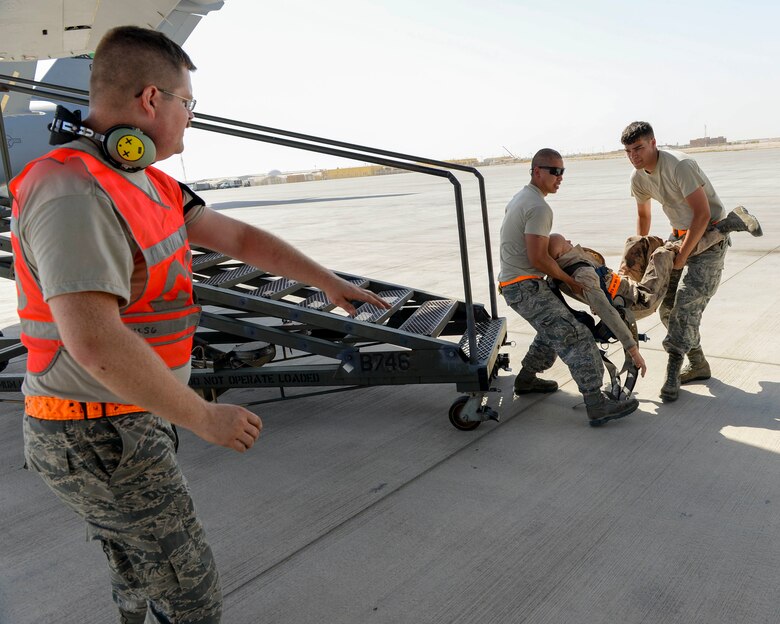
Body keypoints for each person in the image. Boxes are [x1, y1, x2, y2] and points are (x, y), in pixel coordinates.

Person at [10, 26, 389, 623]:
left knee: (138, 565)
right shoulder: (72, 192)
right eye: (188, 104)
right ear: (152, 99)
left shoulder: (147, 182)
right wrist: (204, 415)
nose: (191, 118)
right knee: (191, 596)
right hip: (93, 432)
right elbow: (94, 340)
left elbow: (236, 237)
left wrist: (325, 280)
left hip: (127, 419)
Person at [498, 148, 639, 426]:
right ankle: (597, 405)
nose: (559, 177)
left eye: (562, 172)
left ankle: (526, 380)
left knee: (555, 328)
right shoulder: (539, 207)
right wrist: (569, 279)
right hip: (524, 286)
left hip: (517, 283)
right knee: (577, 335)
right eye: (554, 171)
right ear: (537, 171)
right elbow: (538, 257)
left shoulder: (523, 197)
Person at [547, 206, 761, 379]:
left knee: (636, 242)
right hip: (639, 299)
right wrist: (632, 350)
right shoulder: (582, 274)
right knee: (663, 255)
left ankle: (670, 252)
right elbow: (607, 312)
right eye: (565, 242)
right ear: (561, 252)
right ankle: (724, 227)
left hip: (622, 284)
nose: (570, 242)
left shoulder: (570, 264)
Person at [621, 120, 744, 402]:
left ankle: (674, 370)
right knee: (665, 309)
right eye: (628, 151)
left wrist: (683, 256)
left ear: (653, 143)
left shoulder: (679, 166)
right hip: (676, 239)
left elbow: (701, 214)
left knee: (686, 308)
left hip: (709, 237)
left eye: (638, 148)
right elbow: (643, 215)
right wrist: (642, 254)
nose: (633, 156)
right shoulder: (638, 177)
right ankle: (698, 362)